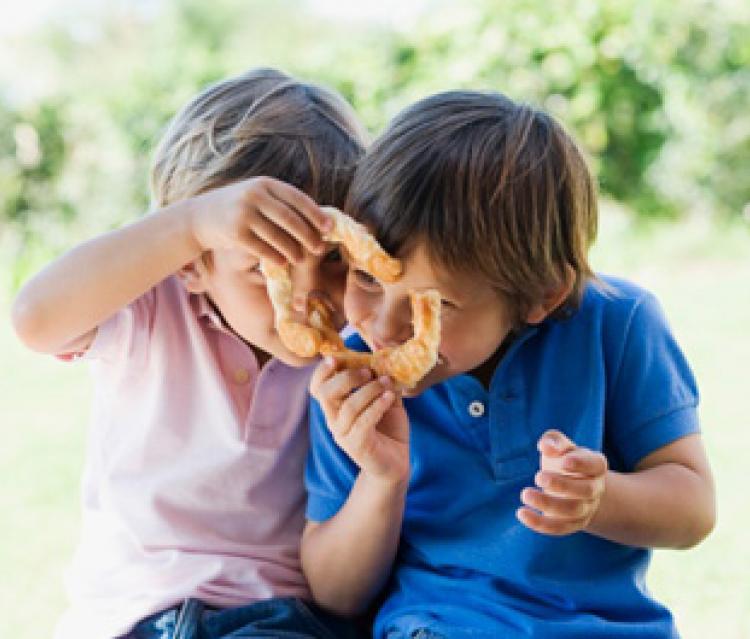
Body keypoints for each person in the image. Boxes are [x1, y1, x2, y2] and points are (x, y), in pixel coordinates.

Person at [302, 90, 716, 639]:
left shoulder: (618, 325)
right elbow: (335, 594)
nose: (382, 328)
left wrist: (600, 500)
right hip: (438, 626)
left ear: (540, 296)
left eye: (437, 307)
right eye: (367, 279)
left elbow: (693, 508)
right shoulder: (348, 384)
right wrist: (382, 478)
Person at [12, 68, 368, 639]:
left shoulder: (357, 349)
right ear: (193, 262)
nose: (308, 298)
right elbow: (34, 320)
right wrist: (192, 222)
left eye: (333, 262)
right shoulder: (150, 308)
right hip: (135, 613)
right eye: (264, 268)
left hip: (282, 618)